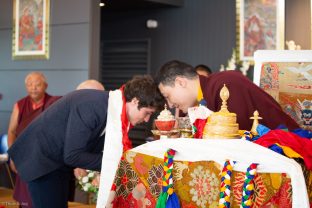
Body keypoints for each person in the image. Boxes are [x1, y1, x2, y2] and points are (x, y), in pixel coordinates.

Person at [8, 75, 164, 208]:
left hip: (58, 161)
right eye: (147, 113)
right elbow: (73, 155)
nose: (146, 119)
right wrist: (117, 162)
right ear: (136, 101)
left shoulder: (111, 108)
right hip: (41, 160)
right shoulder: (93, 106)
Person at [155, 60, 299, 131]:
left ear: (180, 82)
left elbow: (236, 137)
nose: (170, 104)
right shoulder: (199, 98)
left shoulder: (226, 85)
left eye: (167, 96)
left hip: (284, 150)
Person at [7, 72, 61, 208]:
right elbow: (12, 131)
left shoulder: (54, 103)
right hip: (24, 157)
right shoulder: (20, 105)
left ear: (45, 86)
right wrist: (13, 156)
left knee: (46, 198)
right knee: (26, 198)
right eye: (30, 85)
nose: (33, 88)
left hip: (46, 158)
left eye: (37, 84)